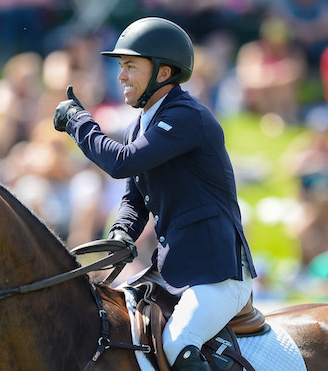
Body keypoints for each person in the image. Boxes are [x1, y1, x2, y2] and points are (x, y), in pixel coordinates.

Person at [53, 17, 256, 370]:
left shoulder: (186, 117)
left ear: (163, 73)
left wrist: (78, 122)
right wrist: (120, 235)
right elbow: (134, 199)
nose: (121, 76)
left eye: (130, 66)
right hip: (174, 272)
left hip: (218, 275)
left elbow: (120, 163)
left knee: (178, 344)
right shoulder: (140, 125)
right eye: (120, 66)